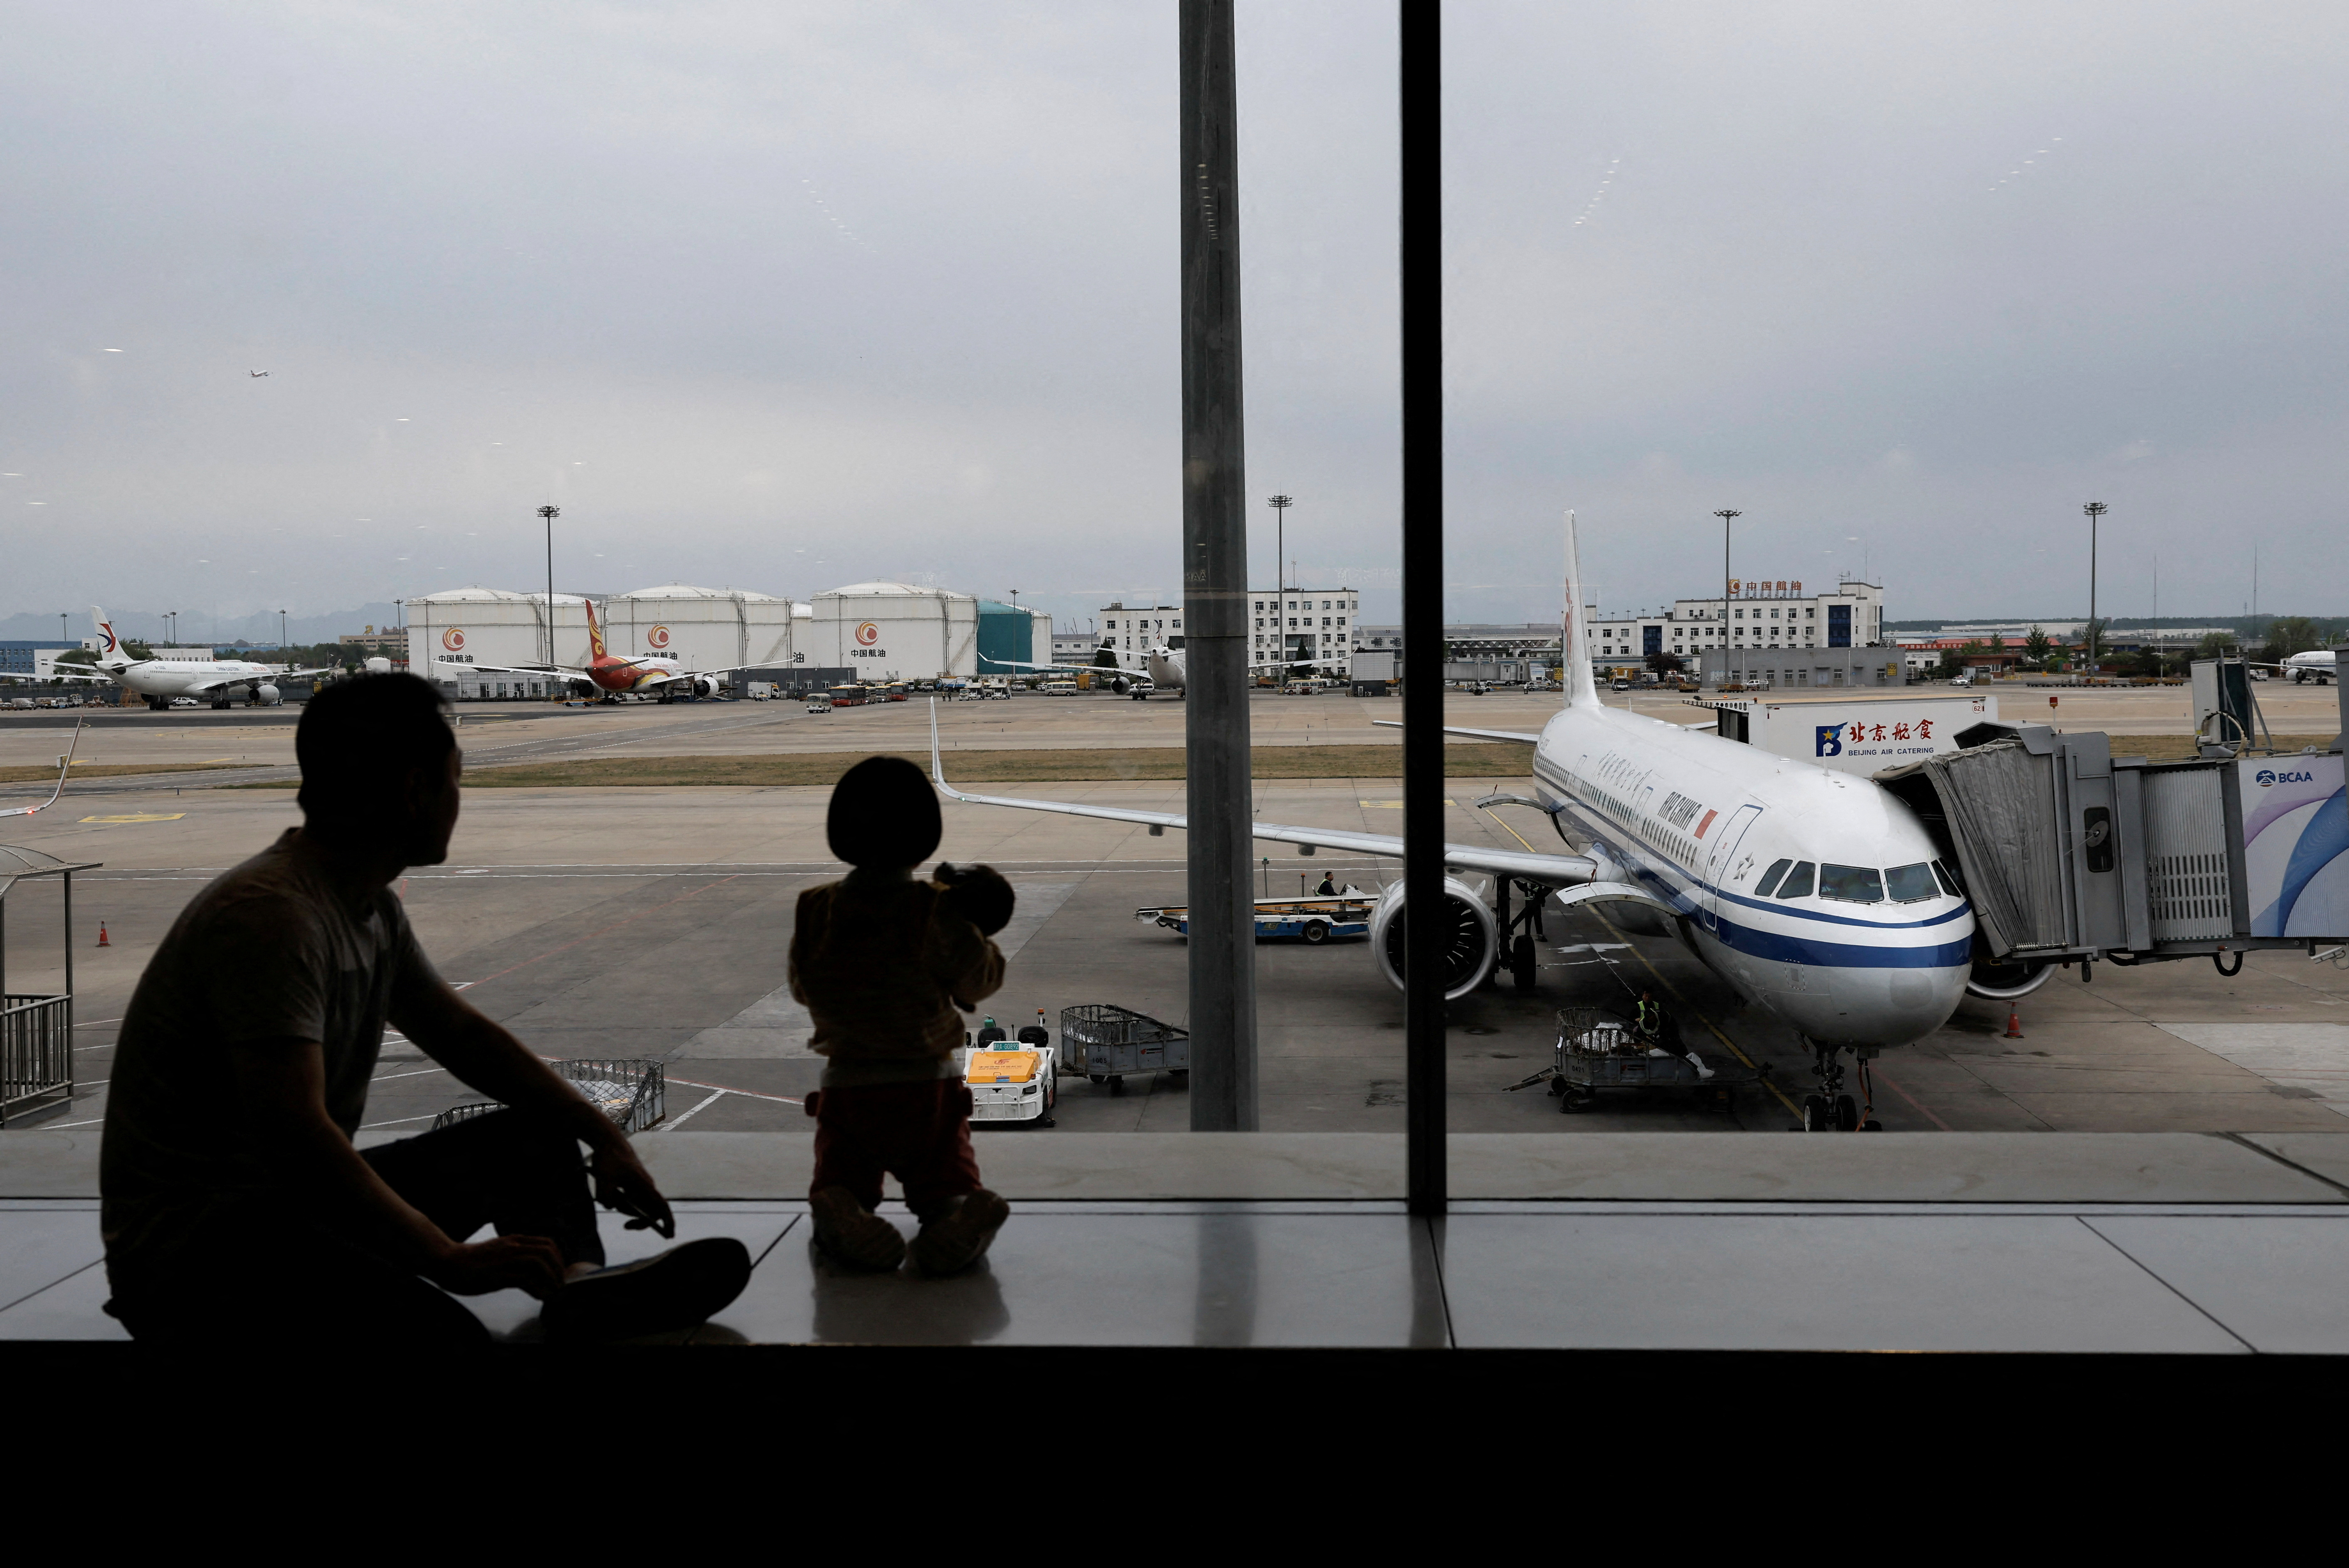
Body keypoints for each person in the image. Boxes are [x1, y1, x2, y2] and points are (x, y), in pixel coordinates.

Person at [99, 674, 750, 1345]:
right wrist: (448, 1258)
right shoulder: (271, 918)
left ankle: (581, 1287)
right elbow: (298, 1139)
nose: (461, 800)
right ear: (415, 791)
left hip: (286, 1212)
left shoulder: (367, 906)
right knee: (451, 1342)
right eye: (456, 780)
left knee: (533, 1132)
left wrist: (599, 1132)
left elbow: (463, 1035)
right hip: (200, 1258)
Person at [790, 757, 1012, 1275]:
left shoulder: (815, 907)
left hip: (847, 1086)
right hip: (925, 1086)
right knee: (945, 1188)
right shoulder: (933, 910)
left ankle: (841, 1217)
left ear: (839, 834)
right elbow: (978, 979)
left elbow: (803, 987)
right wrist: (980, 933)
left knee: (840, 1184)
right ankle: (956, 1220)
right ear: (925, 839)